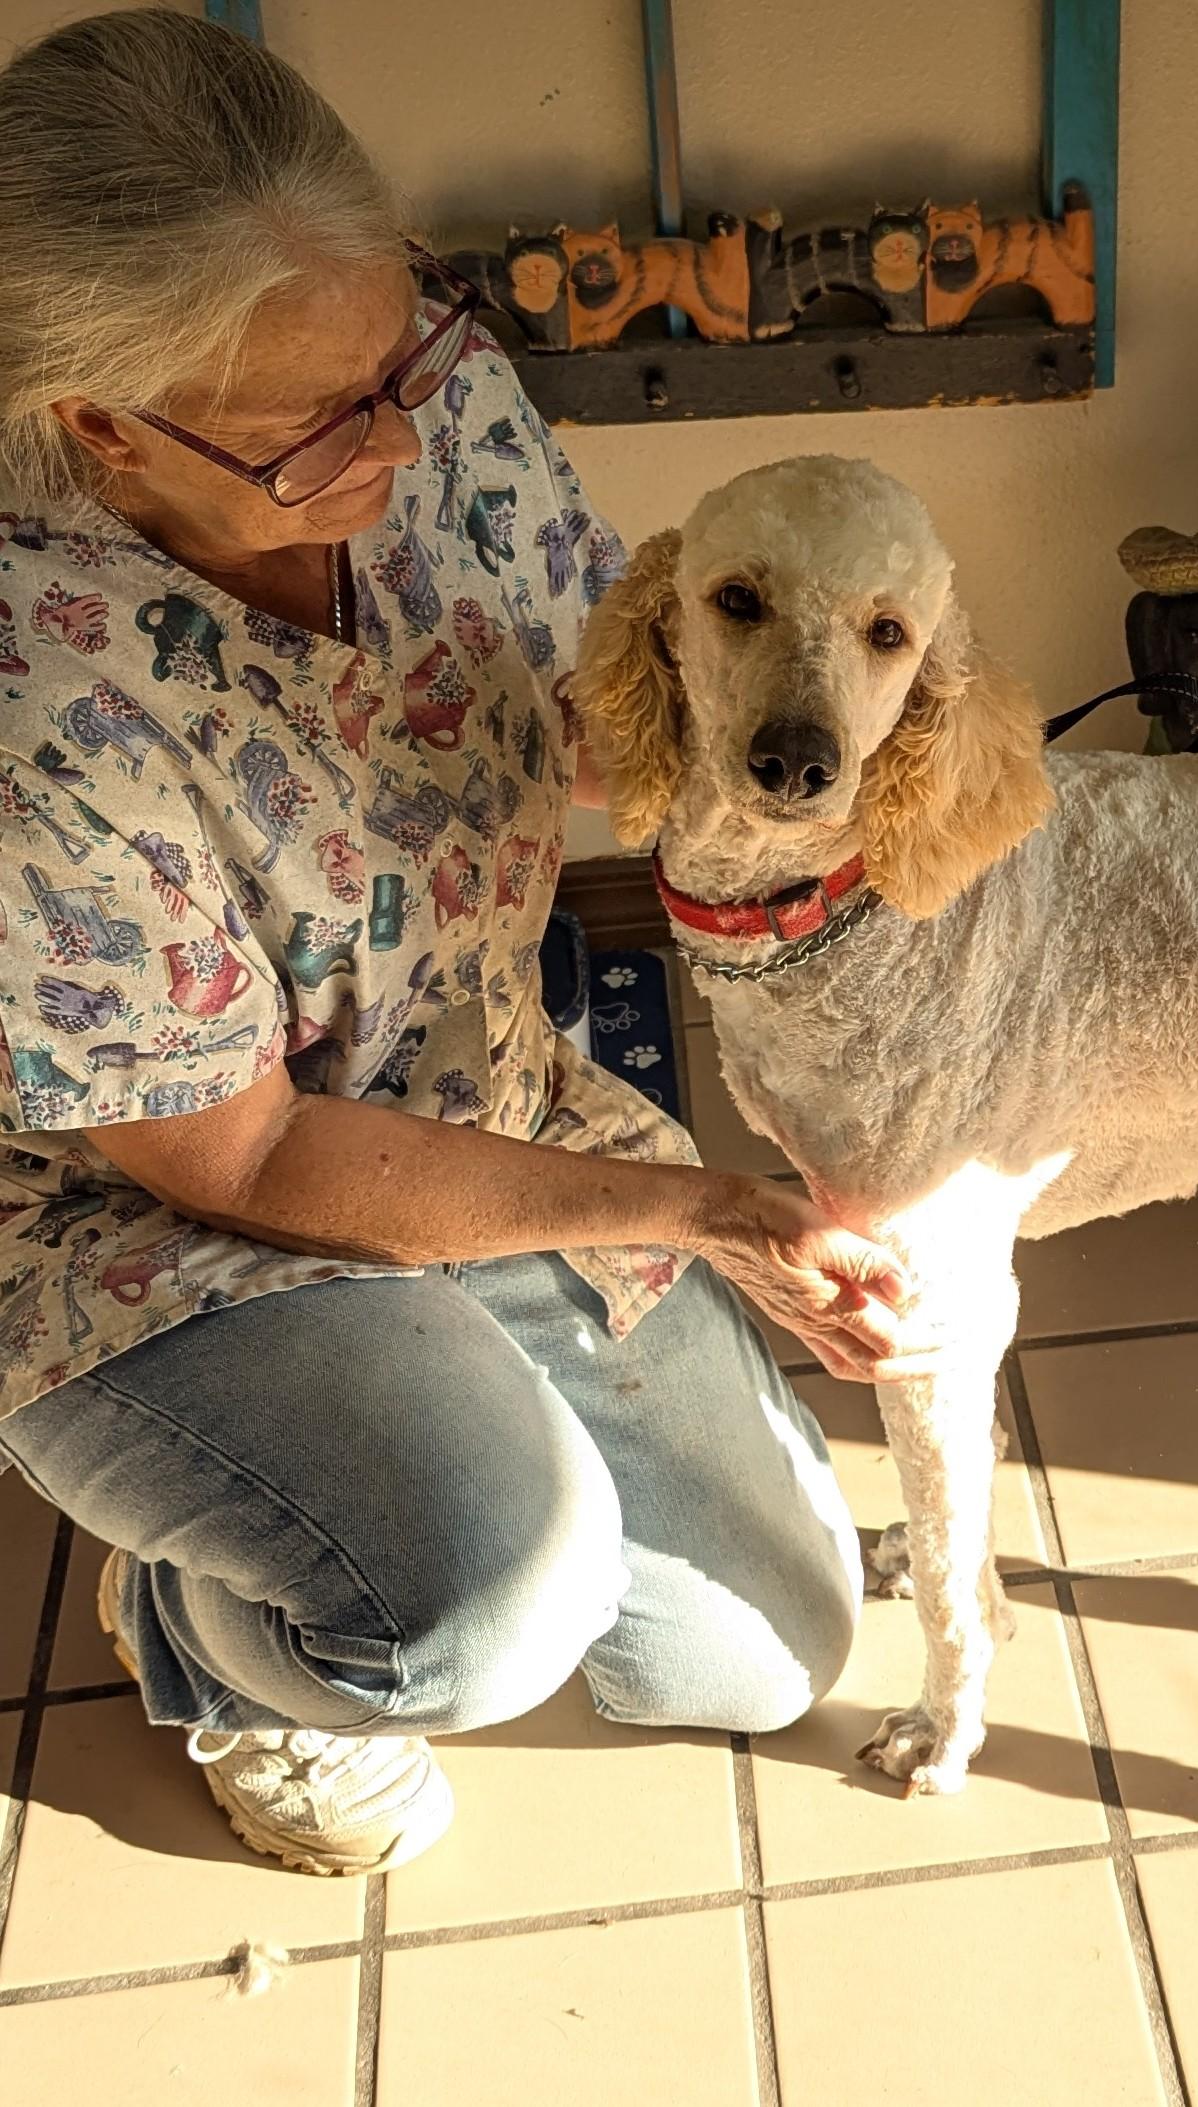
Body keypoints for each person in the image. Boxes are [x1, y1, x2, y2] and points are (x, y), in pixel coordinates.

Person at [0, 9, 910, 1877]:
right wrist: (707, 1215)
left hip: (477, 1088)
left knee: (762, 1658)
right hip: (160, 1222)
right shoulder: (32, 686)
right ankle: (204, 1637)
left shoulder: (404, 383)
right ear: (99, 425)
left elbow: (601, 694)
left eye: (404, 352)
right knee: (478, 1610)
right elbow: (239, 1153)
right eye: (321, 427)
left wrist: (850, 765)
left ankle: (455, 1414)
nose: (406, 434)